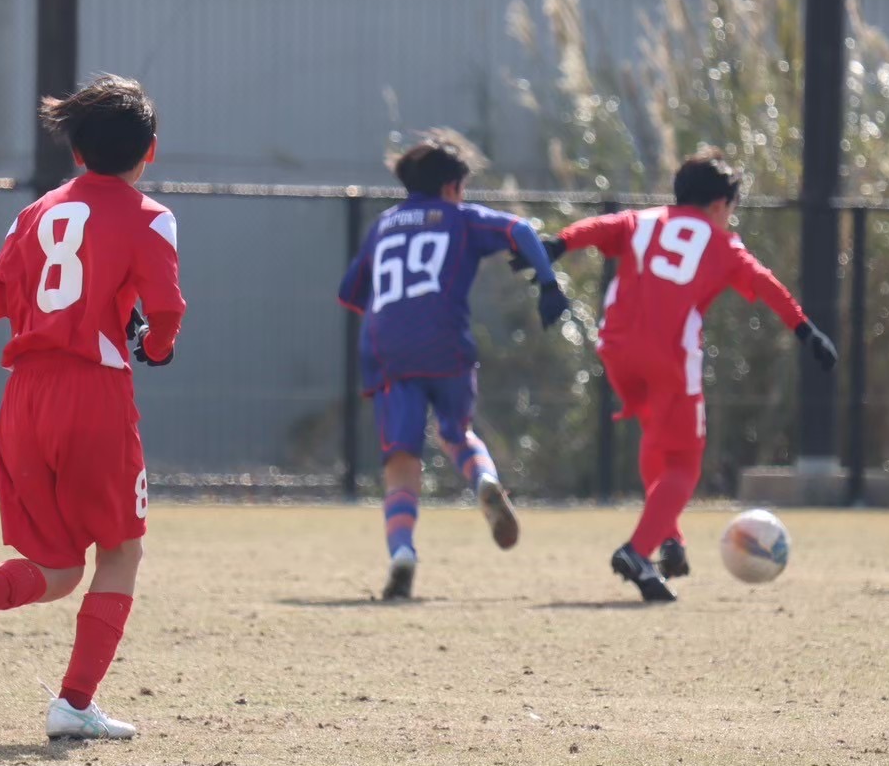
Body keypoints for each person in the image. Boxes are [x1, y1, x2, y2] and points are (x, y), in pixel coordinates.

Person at [0, 75, 185, 741]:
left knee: (59, 568)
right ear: (150, 149)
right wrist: (153, 344)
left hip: (24, 394)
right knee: (121, 551)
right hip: (93, 393)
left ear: (76, 151)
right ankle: (74, 703)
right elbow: (166, 311)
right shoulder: (150, 214)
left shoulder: (32, 214)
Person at [535, 149, 838, 602]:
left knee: (656, 438)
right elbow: (765, 284)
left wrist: (558, 245)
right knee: (683, 462)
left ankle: (670, 539)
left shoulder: (642, 221)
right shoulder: (721, 243)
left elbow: (599, 228)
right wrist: (805, 330)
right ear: (720, 205)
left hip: (616, 348)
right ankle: (638, 551)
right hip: (669, 356)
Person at [337, 131, 569, 600]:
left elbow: (350, 292)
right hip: (445, 343)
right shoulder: (459, 218)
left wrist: (395, 320)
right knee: (456, 433)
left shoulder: (383, 225)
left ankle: (403, 553)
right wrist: (548, 283)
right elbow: (520, 231)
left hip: (388, 350)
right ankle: (484, 481)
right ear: (451, 187)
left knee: (401, 462)